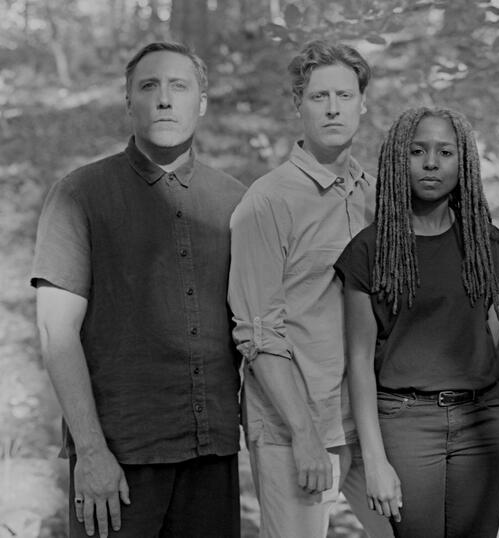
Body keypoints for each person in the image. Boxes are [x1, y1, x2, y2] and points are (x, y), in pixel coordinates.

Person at [31, 42, 244, 538]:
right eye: (149, 86)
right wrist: (90, 452)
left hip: (211, 457)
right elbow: (54, 332)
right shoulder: (79, 195)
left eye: (179, 86)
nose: (164, 100)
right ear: (128, 102)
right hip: (118, 464)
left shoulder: (237, 200)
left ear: (202, 101)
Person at [227, 41, 393, 538]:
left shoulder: (377, 194)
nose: (333, 107)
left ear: (362, 103)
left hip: (369, 422)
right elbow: (259, 331)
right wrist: (303, 436)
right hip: (292, 426)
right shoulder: (268, 201)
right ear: (298, 104)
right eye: (319, 96)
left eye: (345, 94)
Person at [334, 106, 499, 537]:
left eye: (445, 152)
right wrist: (375, 461)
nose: (431, 163)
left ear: (464, 163)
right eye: (417, 151)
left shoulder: (487, 245)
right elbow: (359, 364)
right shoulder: (369, 251)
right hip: (406, 423)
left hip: (484, 424)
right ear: (399, 159)